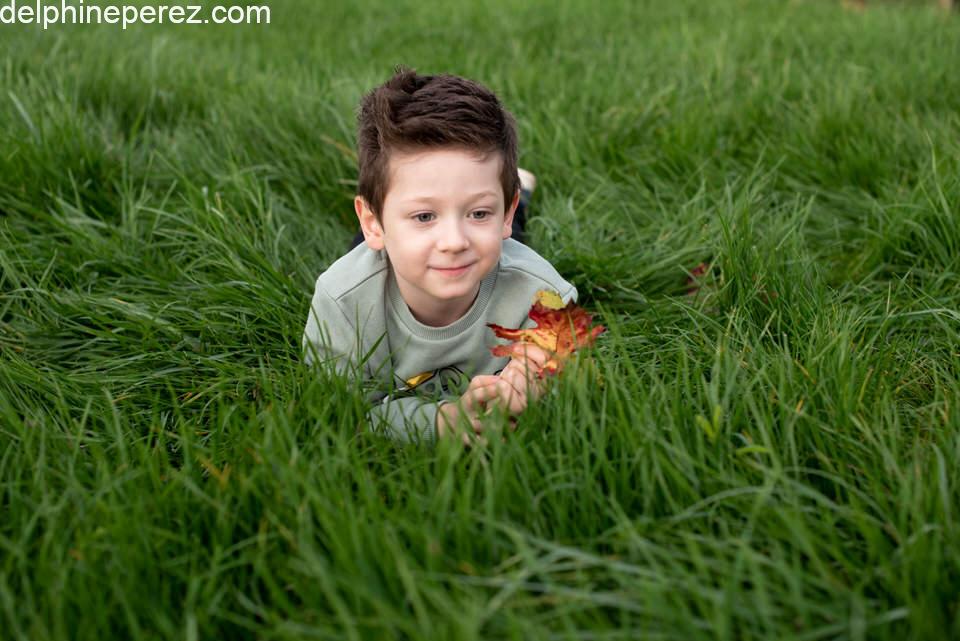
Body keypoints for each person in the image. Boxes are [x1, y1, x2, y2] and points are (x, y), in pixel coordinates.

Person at [302, 67, 577, 444]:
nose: (453, 241)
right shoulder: (343, 301)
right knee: (377, 251)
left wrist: (534, 382)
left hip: (499, 251)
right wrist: (442, 421)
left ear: (504, 212)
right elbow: (344, 410)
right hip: (381, 261)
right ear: (372, 222)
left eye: (478, 212)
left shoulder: (540, 293)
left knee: (508, 246)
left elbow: (564, 345)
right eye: (425, 215)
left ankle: (517, 195)